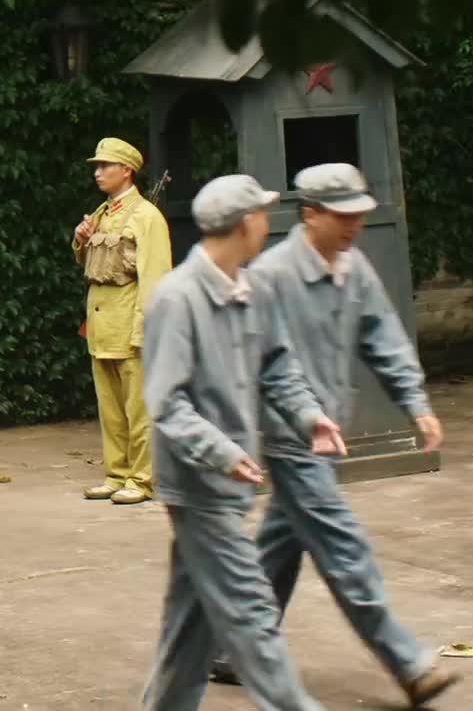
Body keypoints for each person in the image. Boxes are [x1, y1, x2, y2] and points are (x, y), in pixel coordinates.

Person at [208, 163, 458, 706]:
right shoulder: (271, 276)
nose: (353, 225)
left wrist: (416, 404)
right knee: (344, 546)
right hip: (289, 435)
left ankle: (229, 647)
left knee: (282, 541)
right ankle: (407, 663)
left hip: (327, 432)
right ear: (310, 214)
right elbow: (255, 364)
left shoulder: (353, 268)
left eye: (359, 214)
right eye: (342, 216)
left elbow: (383, 338)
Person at [139, 174, 346, 711]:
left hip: (230, 480)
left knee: (189, 626)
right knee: (252, 613)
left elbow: (276, 366)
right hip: (197, 486)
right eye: (262, 214)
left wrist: (309, 416)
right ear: (245, 223)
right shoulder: (177, 298)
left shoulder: (250, 289)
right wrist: (222, 453)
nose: (268, 223)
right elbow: (165, 402)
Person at [72, 137, 173, 505]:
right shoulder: (102, 213)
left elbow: (155, 278)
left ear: (126, 170)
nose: (98, 173)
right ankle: (116, 474)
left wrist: (145, 330)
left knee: (138, 408)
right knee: (111, 410)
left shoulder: (146, 217)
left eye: (105, 166)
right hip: (102, 326)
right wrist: (81, 240)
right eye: (97, 166)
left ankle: (142, 479)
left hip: (130, 324)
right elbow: (95, 265)